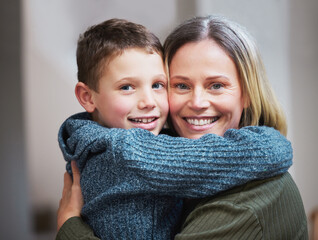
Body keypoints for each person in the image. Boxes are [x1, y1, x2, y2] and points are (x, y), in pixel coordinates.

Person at [56, 17, 299, 240]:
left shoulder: (247, 202)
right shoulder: (126, 149)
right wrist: (273, 141)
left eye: (216, 85)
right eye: (181, 85)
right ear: (87, 96)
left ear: (247, 94)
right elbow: (260, 152)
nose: (197, 103)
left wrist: (69, 226)